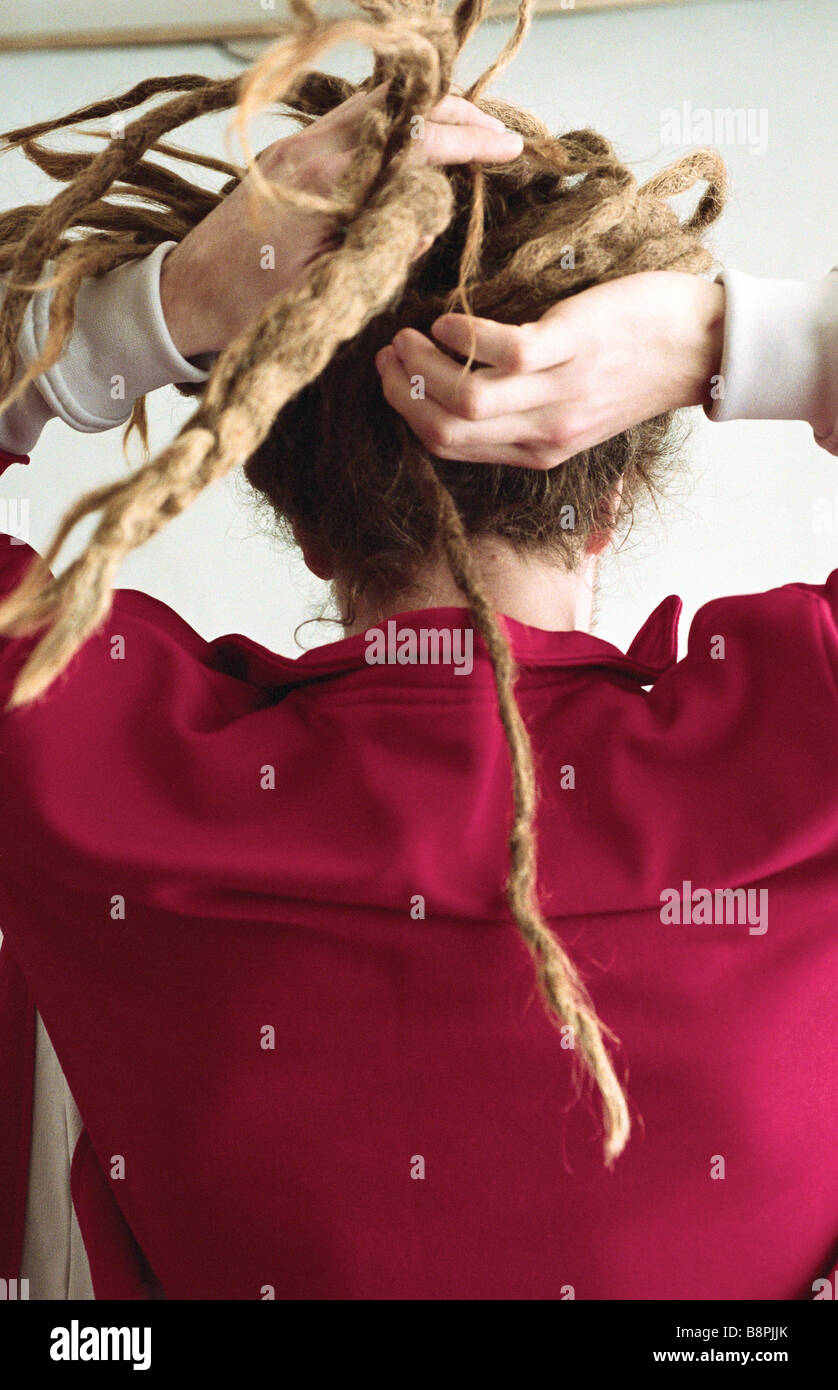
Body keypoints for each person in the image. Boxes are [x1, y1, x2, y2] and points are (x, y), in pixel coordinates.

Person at [0, 0, 836, 1301]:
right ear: (607, 489)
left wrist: (154, 311)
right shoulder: (807, 741)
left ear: (295, 515)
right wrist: (713, 337)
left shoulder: (91, 766)